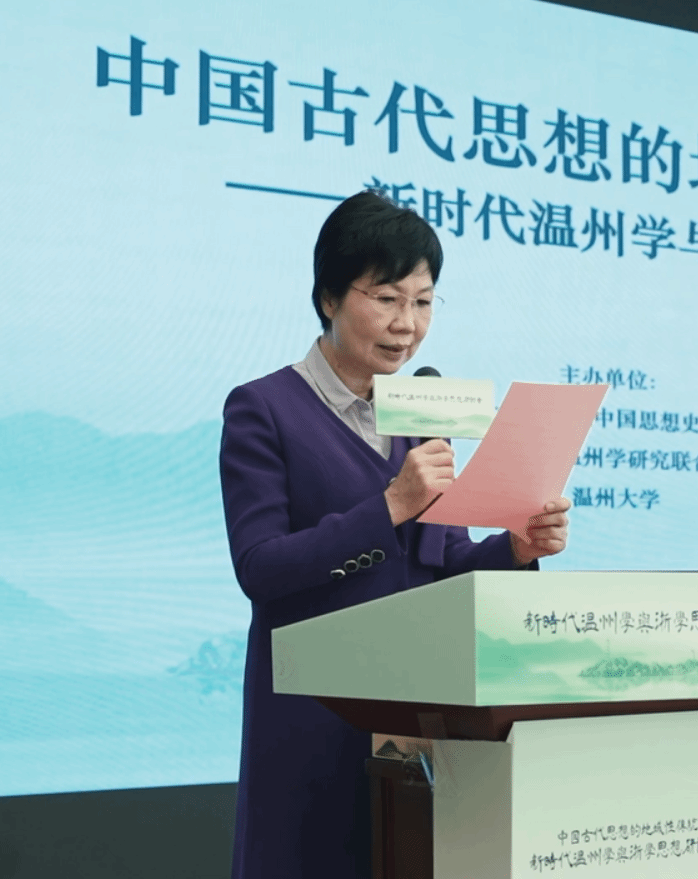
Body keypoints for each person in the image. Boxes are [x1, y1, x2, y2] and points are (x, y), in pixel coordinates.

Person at [219, 190, 571, 879]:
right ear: (328, 297)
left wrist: (515, 548)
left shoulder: (422, 415)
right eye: (385, 298)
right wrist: (388, 506)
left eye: (423, 302)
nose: (407, 325)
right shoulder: (263, 408)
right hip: (312, 718)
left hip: (416, 718)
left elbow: (443, 561)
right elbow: (260, 568)